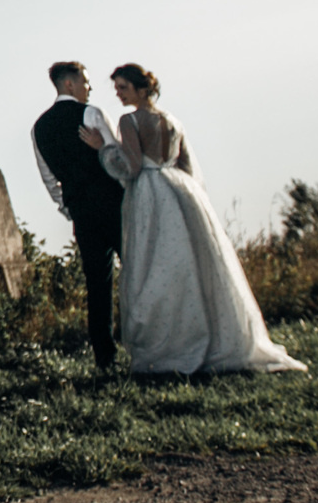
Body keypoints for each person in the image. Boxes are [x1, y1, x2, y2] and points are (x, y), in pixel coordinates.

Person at [110, 63, 306, 376]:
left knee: (156, 265)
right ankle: (216, 338)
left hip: (150, 194)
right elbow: (186, 165)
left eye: (123, 88)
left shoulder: (129, 121)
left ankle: (171, 345)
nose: (118, 94)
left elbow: (132, 167)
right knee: (198, 262)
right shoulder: (173, 121)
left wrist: (105, 151)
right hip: (182, 191)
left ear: (141, 90)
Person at [31, 61, 133, 369]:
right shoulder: (92, 114)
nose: (90, 88)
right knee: (137, 270)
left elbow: (49, 179)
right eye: (86, 82)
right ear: (70, 84)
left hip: (82, 214)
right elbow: (119, 160)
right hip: (114, 205)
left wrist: (69, 207)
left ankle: (105, 357)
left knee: (97, 285)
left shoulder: (39, 128)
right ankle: (149, 341)